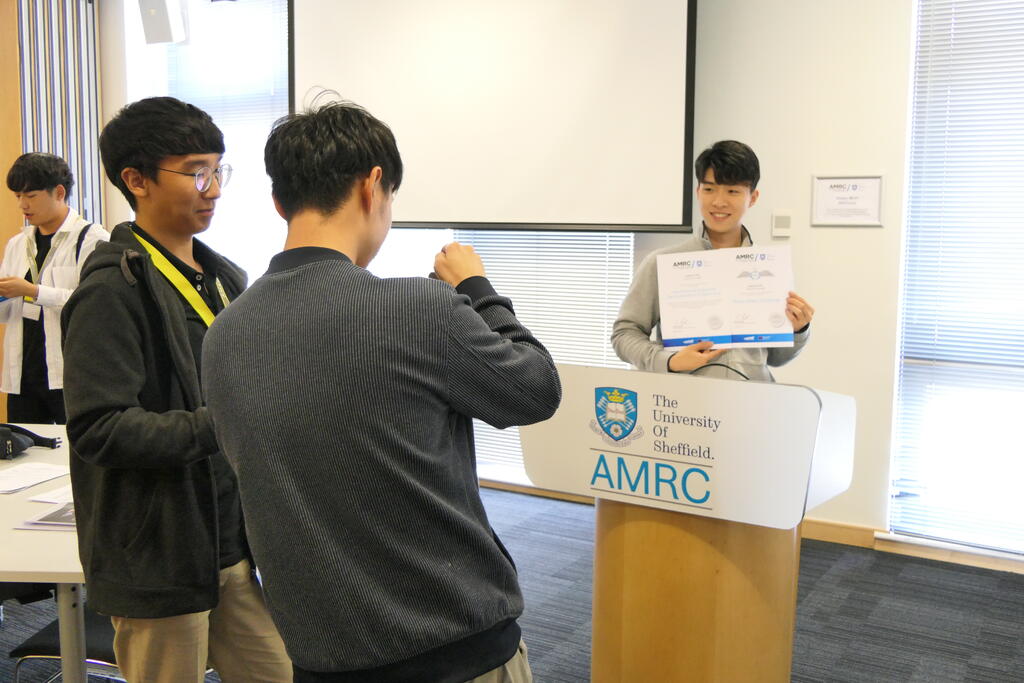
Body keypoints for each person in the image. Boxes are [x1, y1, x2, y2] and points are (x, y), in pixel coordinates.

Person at [202, 101, 562, 682]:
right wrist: (477, 288)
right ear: (373, 186)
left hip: (322, 658)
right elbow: (535, 389)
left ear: (279, 202)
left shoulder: (226, 334)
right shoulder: (422, 309)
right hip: (455, 652)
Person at [61, 97, 292, 683]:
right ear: (135, 180)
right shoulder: (113, 290)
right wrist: (228, 423)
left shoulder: (224, 278)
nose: (213, 188)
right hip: (158, 556)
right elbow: (99, 428)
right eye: (195, 172)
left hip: (231, 545)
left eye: (219, 169)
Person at [611, 140, 815, 381]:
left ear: (753, 197)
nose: (719, 201)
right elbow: (624, 334)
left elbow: (776, 358)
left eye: (733, 191)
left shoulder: (768, 268)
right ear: (698, 192)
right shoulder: (662, 263)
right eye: (709, 189)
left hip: (753, 403)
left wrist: (799, 329)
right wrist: (668, 360)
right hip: (683, 404)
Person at [2, 152, 107, 423]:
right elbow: (7, 310)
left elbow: (95, 304)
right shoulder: (18, 243)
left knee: (75, 456)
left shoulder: (92, 239)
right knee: (26, 454)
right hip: (22, 374)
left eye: (31, 195)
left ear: (59, 192)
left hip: (68, 373)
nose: (23, 205)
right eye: (18, 197)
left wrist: (33, 291)